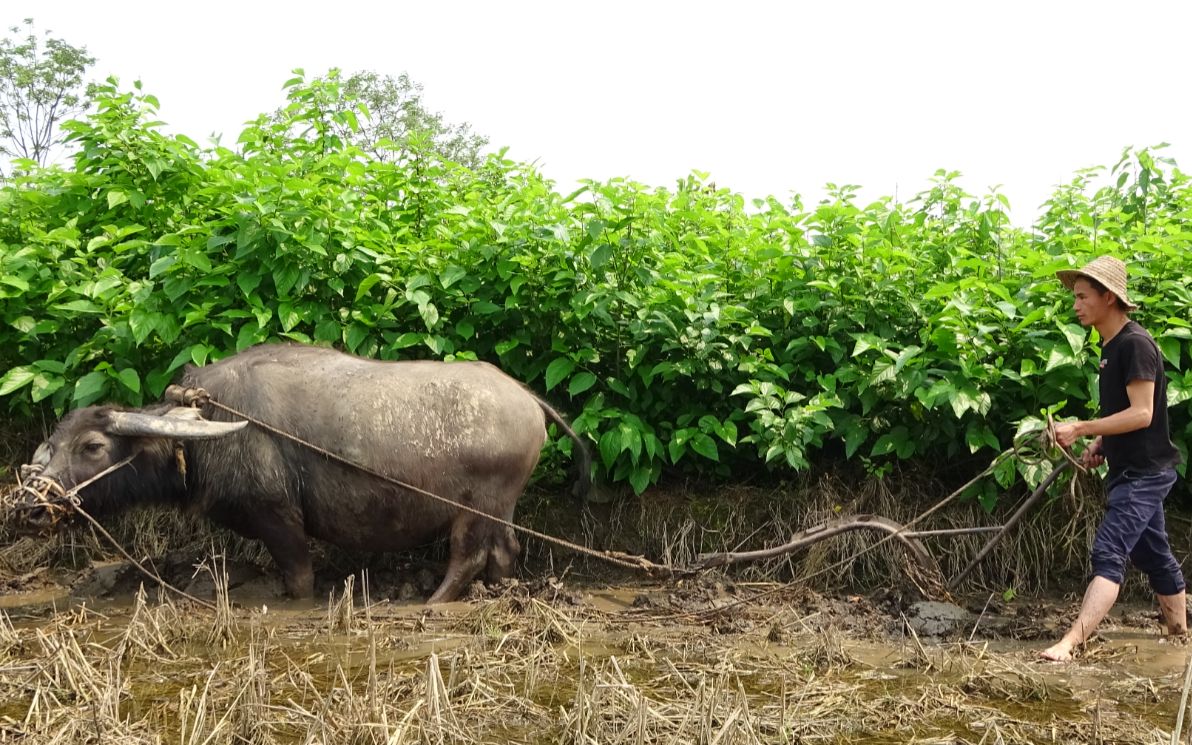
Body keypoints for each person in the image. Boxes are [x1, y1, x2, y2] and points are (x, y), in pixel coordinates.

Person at [1039, 255, 1185, 662]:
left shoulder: (1135, 344)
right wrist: (1101, 442)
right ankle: (1180, 638)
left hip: (1146, 473)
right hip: (1131, 469)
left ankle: (1070, 644)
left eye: (1083, 297)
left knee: (1109, 550)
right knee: (1153, 553)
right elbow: (1127, 413)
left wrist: (1083, 428)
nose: (1076, 305)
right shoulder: (1110, 348)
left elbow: (1143, 413)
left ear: (1108, 297)